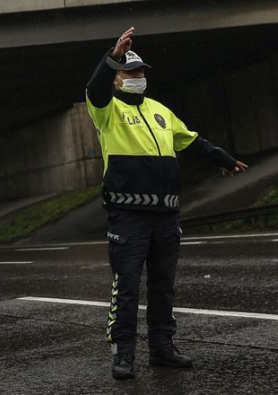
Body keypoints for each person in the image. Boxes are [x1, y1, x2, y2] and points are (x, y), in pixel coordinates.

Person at [85, 27, 249, 380]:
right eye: (130, 72)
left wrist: (224, 159)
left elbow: (191, 142)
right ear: (117, 80)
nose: (138, 77)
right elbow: (94, 88)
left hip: (165, 213)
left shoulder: (161, 111)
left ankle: (162, 349)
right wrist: (113, 58)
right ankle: (123, 354)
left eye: (141, 71)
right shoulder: (106, 110)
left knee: (163, 284)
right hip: (127, 214)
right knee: (126, 286)